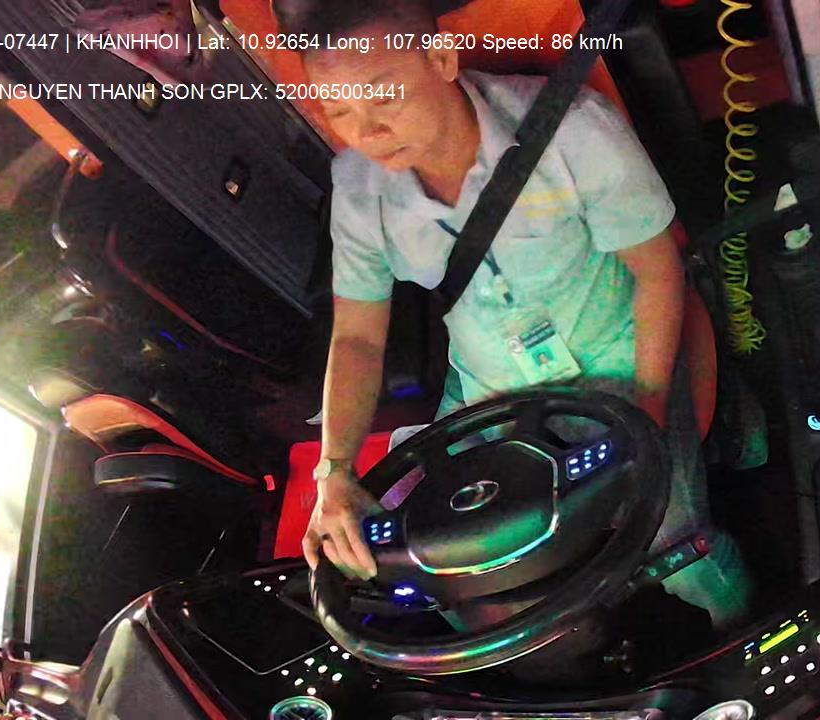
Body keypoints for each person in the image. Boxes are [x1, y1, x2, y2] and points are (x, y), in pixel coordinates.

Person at [279, 0, 753, 628]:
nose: (368, 132)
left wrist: (650, 411)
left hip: (615, 369)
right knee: (416, 556)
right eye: (339, 113)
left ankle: (743, 630)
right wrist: (333, 472)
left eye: (383, 96)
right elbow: (358, 339)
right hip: (486, 390)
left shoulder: (571, 132)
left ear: (440, 58)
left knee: (677, 551)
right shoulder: (360, 188)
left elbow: (658, 270)